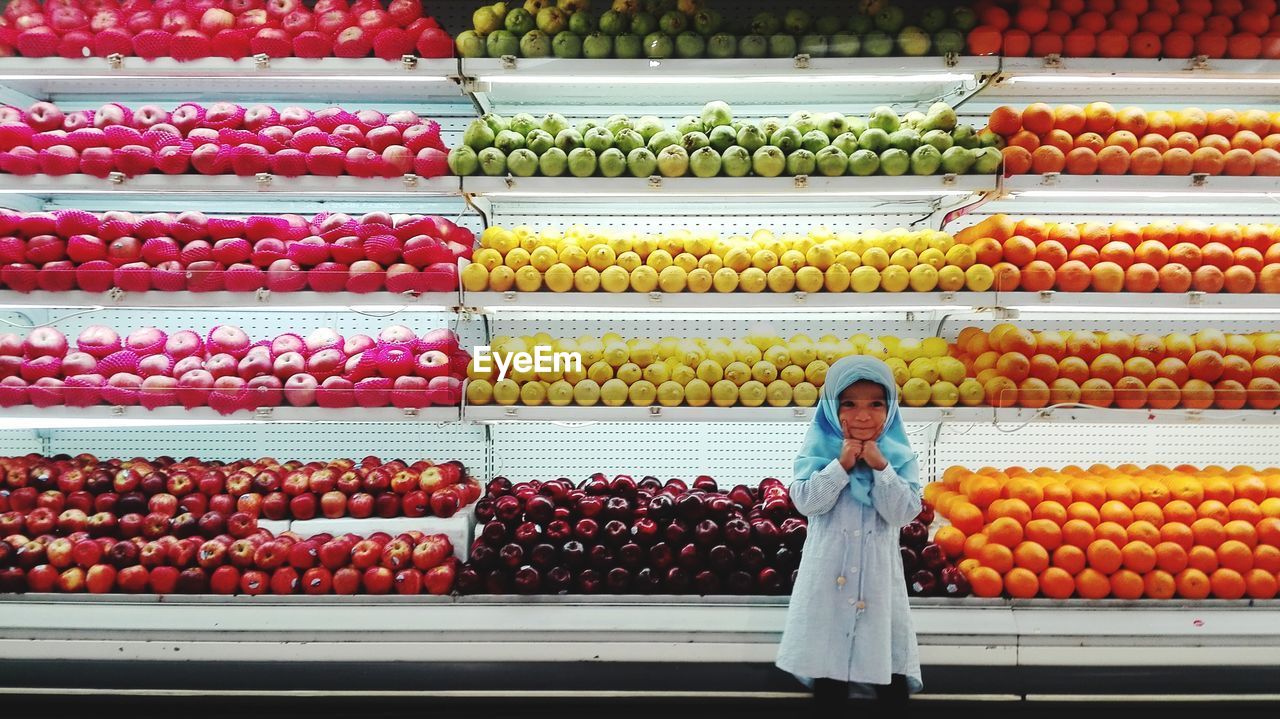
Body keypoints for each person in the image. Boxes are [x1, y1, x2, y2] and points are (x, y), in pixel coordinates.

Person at [775, 355, 923, 711]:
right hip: (827, 584)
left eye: (876, 403)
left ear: (891, 408)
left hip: (877, 587)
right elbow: (808, 502)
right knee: (829, 680)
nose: (862, 415)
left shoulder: (899, 457)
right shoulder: (817, 453)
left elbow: (903, 511)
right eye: (849, 403)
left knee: (889, 674)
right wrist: (840, 465)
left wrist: (881, 467)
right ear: (830, 407)